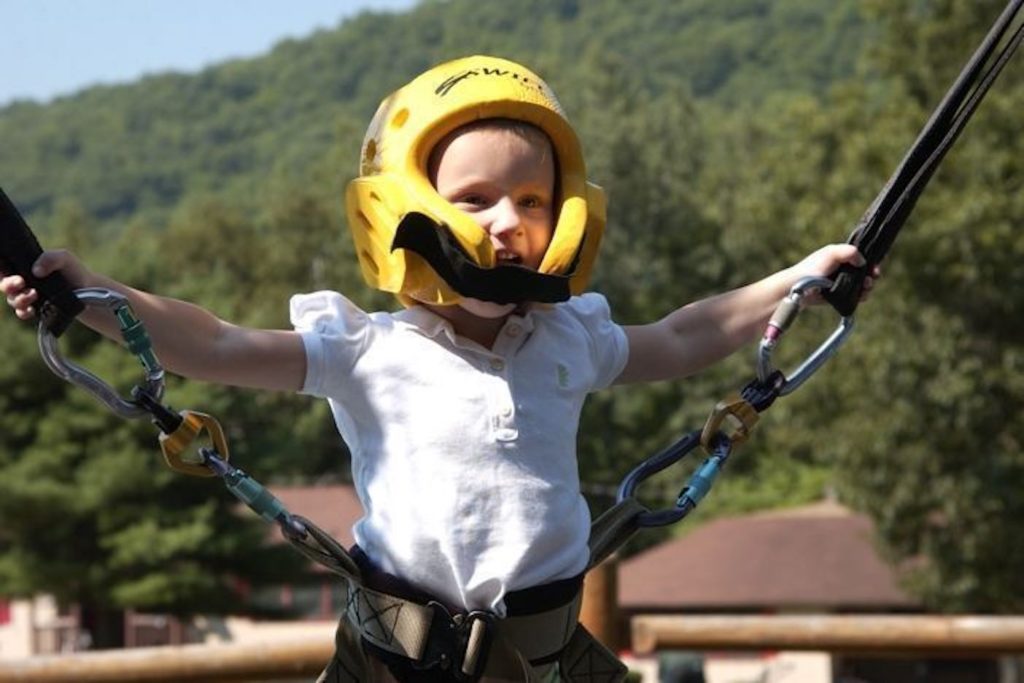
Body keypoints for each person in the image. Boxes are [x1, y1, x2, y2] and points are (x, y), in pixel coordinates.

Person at [1, 56, 876, 682]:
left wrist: (799, 278)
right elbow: (213, 342)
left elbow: (688, 336)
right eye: (475, 200)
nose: (509, 223)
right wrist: (92, 295)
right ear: (403, 213)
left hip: (546, 657)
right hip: (391, 657)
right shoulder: (367, 351)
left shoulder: (569, 337)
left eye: (532, 200)